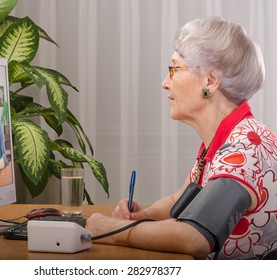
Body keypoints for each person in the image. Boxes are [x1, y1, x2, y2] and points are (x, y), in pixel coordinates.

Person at [86, 16, 277, 260]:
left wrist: (113, 230)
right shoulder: (226, 139)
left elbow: (195, 237)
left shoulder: (245, 150)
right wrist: (145, 215)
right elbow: (181, 197)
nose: (165, 83)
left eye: (175, 69)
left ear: (210, 80)